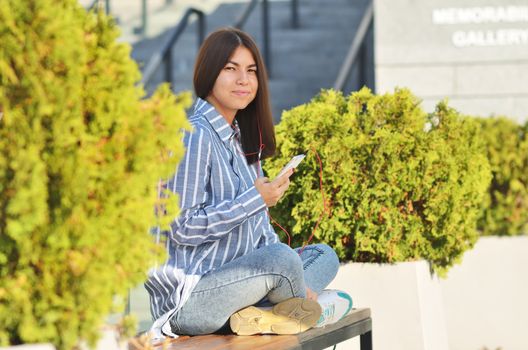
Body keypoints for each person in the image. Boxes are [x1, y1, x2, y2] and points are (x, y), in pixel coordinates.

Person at [145, 27, 351, 339]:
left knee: (323, 255)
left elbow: (259, 239)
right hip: (192, 299)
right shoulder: (193, 135)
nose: (244, 80)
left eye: (251, 71)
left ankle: (267, 313)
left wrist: (261, 211)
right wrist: (255, 200)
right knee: (282, 260)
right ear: (209, 73)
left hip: (239, 284)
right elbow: (181, 227)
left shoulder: (239, 139)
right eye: (231, 68)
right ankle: (304, 309)